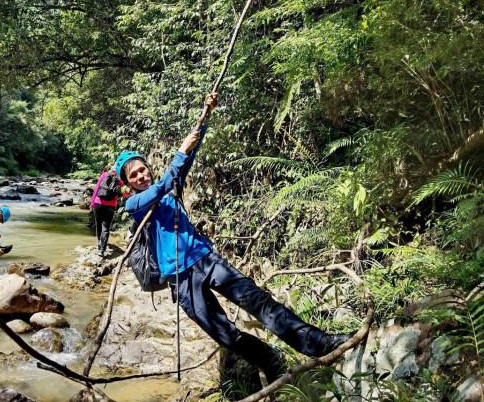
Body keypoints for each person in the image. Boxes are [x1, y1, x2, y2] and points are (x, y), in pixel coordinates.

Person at [115, 93, 350, 382]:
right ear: (127, 184)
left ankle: (321, 345)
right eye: (133, 175)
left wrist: (206, 114)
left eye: (142, 169)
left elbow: (188, 156)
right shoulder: (134, 205)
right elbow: (165, 182)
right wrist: (179, 153)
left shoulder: (169, 186)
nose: (141, 175)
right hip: (179, 278)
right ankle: (270, 360)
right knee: (223, 333)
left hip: (206, 259)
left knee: (259, 303)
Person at [90, 167, 126, 257]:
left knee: (98, 224)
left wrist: (92, 203)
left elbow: (96, 189)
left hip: (99, 203)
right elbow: (125, 193)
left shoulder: (104, 175)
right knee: (105, 227)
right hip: (111, 205)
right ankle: (102, 250)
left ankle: (99, 243)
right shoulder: (119, 180)